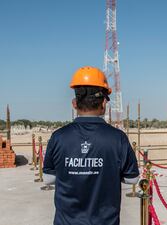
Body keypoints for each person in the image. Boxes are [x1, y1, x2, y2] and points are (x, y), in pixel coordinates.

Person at [43, 66, 140, 225]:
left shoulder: (58, 137)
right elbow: (133, 179)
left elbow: (48, 178)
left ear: (74, 103)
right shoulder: (118, 138)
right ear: (104, 103)